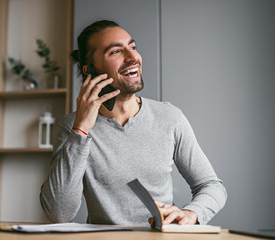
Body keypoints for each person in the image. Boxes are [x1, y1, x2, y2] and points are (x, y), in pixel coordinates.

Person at [40, 20, 227, 226]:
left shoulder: (170, 117)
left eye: (133, 47)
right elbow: (59, 213)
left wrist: (192, 214)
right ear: (90, 70)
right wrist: (81, 130)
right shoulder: (72, 127)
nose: (133, 58)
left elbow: (211, 186)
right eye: (115, 52)